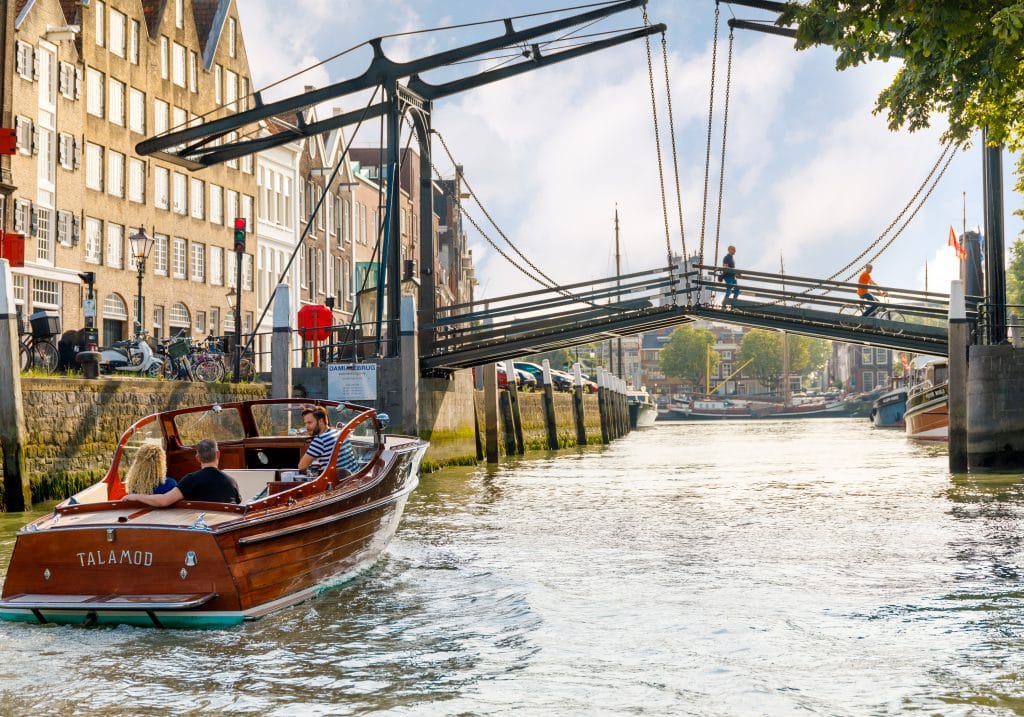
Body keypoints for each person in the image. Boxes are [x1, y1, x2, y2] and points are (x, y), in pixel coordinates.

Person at [123, 438, 240, 506]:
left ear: (197, 458)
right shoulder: (232, 482)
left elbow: (164, 501)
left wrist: (135, 496)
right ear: (218, 454)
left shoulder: (190, 480)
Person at [297, 405, 359, 476]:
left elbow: (301, 466)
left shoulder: (320, 440)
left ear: (320, 421)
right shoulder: (339, 432)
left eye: (310, 423)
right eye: (305, 423)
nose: (307, 427)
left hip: (338, 483)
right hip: (354, 476)